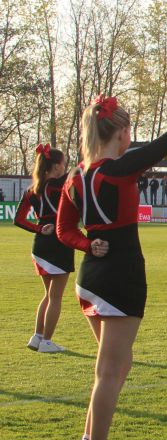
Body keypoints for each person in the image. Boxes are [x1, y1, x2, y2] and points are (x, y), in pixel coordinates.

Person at [56, 93, 167, 440]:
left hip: (90, 277)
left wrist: (86, 243)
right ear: (123, 133)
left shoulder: (77, 175)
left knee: (116, 364)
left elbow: (64, 229)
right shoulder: (119, 169)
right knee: (110, 370)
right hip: (120, 275)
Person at [15, 144, 73, 353]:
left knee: (48, 295)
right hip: (59, 243)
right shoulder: (60, 185)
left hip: (39, 247)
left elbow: (19, 220)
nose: (65, 167)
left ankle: (37, 336)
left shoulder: (32, 190)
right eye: (63, 163)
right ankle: (47, 342)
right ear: (56, 166)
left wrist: (39, 228)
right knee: (55, 297)